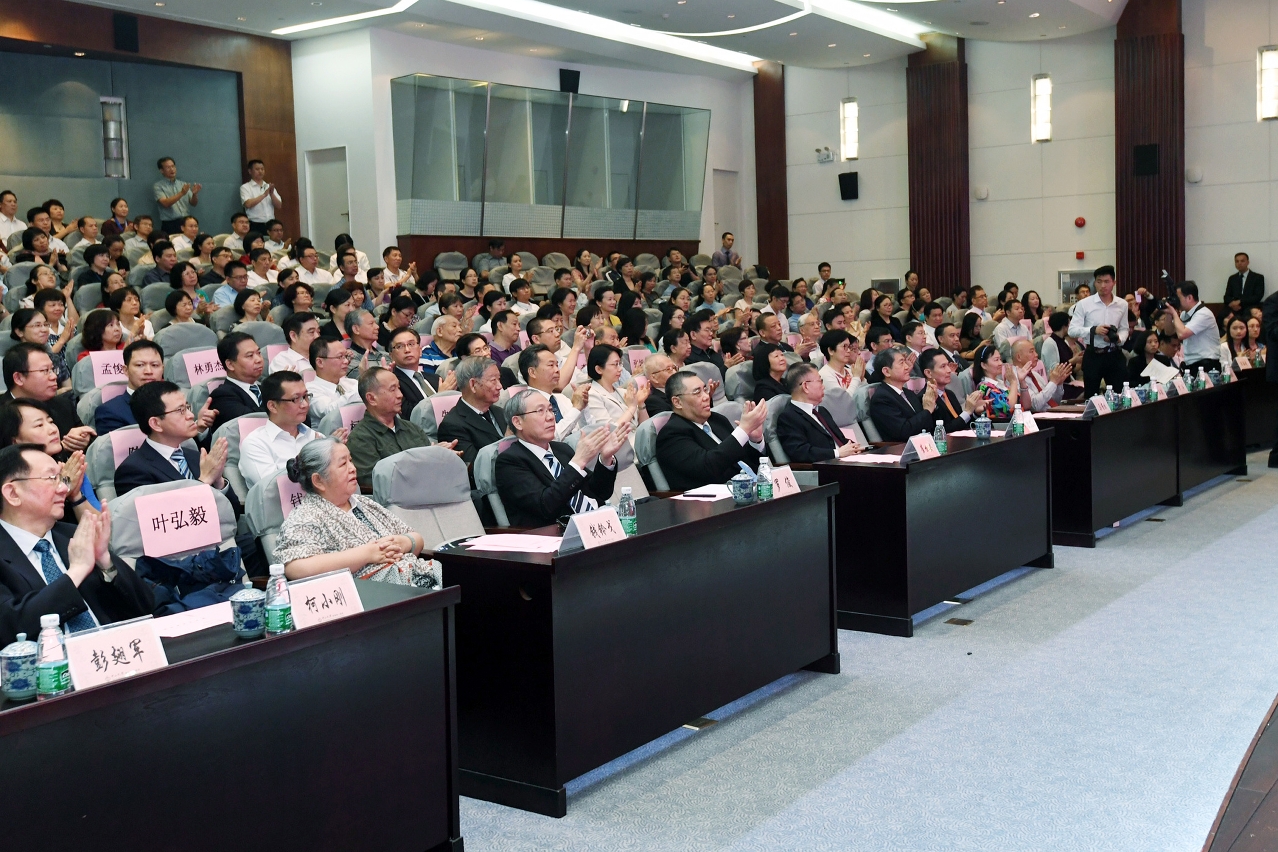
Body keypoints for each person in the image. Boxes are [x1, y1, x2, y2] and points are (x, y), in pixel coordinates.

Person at [0, 445, 153, 644]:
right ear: (12, 493)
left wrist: (105, 561)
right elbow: (10, 627)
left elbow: (145, 607)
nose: (64, 487)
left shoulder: (73, 534)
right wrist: (77, 571)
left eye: (62, 477)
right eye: (51, 478)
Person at [274, 439, 436, 586]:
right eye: (343, 464)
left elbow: (416, 538)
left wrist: (403, 543)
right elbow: (295, 567)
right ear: (318, 480)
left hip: (416, 577)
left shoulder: (364, 503)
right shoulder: (306, 516)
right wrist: (366, 554)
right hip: (373, 594)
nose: (352, 469)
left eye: (350, 461)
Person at [495, 389, 630, 528]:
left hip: (599, 524)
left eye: (550, 409)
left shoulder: (561, 449)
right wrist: (578, 462)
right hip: (558, 535)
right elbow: (545, 506)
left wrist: (605, 459)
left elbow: (600, 493)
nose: (550, 417)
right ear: (517, 422)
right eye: (540, 411)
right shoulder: (509, 462)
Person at [655, 370, 767, 491]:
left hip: (754, 489)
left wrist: (756, 441)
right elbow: (707, 468)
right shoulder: (672, 434)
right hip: (714, 503)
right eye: (697, 392)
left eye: (705, 389)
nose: (706, 397)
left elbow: (747, 461)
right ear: (677, 402)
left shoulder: (718, 420)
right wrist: (743, 430)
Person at [345, 368, 439, 491]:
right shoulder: (360, 439)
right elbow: (373, 482)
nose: (400, 395)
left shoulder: (413, 429)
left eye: (399, 388)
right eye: (392, 389)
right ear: (372, 399)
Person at [238, 371, 325, 490]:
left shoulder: (316, 437)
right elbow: (274, 490)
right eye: (295, 399)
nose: (304, 404)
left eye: (305, 396)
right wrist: (308, 460)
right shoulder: (256, 444)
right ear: (273, 406)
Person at [0, 345, 92, 451]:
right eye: (45, 371)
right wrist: (60, 447)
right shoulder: (3, 414)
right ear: (19, 378)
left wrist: (84, 439)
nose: (54, 376)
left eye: (52, 370)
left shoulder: (63, 404)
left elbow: (87, 437)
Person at [775, 362, 864, 463]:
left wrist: (853, 446)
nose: (824, 387)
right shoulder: (789, 417)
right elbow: (801, 452)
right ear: (805, 386)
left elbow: (840, 439)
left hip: (848, 462)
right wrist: (837, 453)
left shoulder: (822, 411)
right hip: (826, 469)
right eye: (820, 381)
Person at [436, 357, 509, 468]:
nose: (500, 386)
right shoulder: (453, 425)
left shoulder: (500, 412)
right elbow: (476, 469)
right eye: (493, 380)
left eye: (499, 379)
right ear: (473, 385)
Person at [1068, 265, 1128, 396]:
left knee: (1119, 396)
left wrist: (1118, 338)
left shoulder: (1122, 304)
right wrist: (1093, 330)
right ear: (1094, 283)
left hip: (1114, 354)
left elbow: (1124, 328)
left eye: (1107, 281)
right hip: (1093, 354)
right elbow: (1072, 330)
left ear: (1114, 283)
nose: (1103, 285)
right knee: (1091, 397)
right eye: (1099, 281)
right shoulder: (1084, 304)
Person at [867, 347, 942, 442]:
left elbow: (929, 423)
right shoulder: (881, 399)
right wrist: (927, 410)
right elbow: (903, 432)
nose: (907, 367)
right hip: (902, 450)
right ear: (886, 371)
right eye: (901, 363)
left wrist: (933, 404)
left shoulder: (908, 393)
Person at [518, 344, 587, 440]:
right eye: (551, 365)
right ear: (532, 372)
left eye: (557, 365)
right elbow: (552, 438)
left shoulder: (561, 398)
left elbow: (584, 429)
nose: (557, 370)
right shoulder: (526, 404)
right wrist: (576, 409)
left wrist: (583, 407)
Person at [208, 332, 265, 434]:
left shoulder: (266, 387)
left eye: (259, 353)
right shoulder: (222, 396)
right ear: (230, 364)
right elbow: (255, 419)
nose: (259, 360)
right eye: (250, 356)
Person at [583, 344, 646, 431]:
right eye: (615, 364)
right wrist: (632, 408)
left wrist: (641, 404)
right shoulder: (592, 395)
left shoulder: (624, 392)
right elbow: (609, 430)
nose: (620, 369)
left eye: (620, 364)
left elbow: (645, 429)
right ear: (599, 369)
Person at [1163, 280, 1220, 373]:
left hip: (1207, 364)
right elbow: (1168, 332)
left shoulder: (1204, 314)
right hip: (1191, 363)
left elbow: (1182, 334)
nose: (1176, 301)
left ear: (1189, 297)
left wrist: (1174, 312)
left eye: (1177, 298)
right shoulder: (1185, 314)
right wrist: (1169, 313)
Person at [10, 308, 70, 390]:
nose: (44, 330)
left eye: (46, 325)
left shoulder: (54, 357)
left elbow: (68, 388)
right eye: (37, 325)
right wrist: (57, 394)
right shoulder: (15, 360)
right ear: (19, 332)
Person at [387, 326, 437, 420]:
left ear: (420, 350)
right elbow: (409, 415)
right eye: (400, 346)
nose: (407, 350)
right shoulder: (394, 384)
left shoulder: (436, 379)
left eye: (411, 344)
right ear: (391, 356)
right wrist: (439, 398)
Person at [306, 338, 359, 422]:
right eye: (340, 357)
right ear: (320, 362)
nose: (346, 361)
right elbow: (330, 411)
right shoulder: (310, 390)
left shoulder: (352, 383)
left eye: (346, 356)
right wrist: (362, 387)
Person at [1010, 339, 1071, 412]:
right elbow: (1035, 406)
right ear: (1019, 357)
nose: (1036, 355)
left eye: (1035, 351)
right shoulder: (1013, 378)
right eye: (1031, 352)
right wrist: (1053, 382)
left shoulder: (1035, 374)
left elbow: (1054, 401)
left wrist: (1058, 384)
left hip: (1051, 415)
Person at [971, 343, 1020, 421]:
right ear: (984, 365)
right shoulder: (985, 387)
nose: (1000, 363)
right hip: (1000, 426)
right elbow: (1009, 407)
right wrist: (1013, 382)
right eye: (996, 360)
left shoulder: (1001, 383)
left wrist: (1022, 381)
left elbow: (1024, 404)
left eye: (1000, 359)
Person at [152, 156, 200, 234]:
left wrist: (194, 194)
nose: (172, 169)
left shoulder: (183, 184)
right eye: (168, 167)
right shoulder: (158, 186)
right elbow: (165, 203)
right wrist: (181, 193)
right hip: (170, 224)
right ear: (161, 170)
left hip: (186, 222)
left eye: (173, 166)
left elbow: (193, 203)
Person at [240, 159, 282, 228]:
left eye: (262, 169)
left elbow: (279, 205)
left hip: (271, 223)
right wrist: (264, 195)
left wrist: (271, 194)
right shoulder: (245, 187)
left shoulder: (269, 186)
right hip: (255, 224)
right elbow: (248, 204)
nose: (260, 171)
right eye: (257, 169)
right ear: (250, 171)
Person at [818, 329, 864, 393]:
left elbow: (863, 397)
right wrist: (856, 377)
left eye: (849, 347)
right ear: (831, 350)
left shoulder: (850, 371)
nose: (848, 351)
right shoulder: (825, 375)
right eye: (844, 346)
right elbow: (843, 400)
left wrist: (861, 378)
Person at [1224, 252, 1264, 319]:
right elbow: (1227, 296)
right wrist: (1232, 304)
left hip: (1250, 307)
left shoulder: (1258, 277)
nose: (1239, 263)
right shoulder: (1232, 278)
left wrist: (1240, 301)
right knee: (1222, 315)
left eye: (1242, 261)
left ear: (1248, 262)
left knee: (1247, 314)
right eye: (1237, 261)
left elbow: (1258, 296)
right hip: (1235, 308)